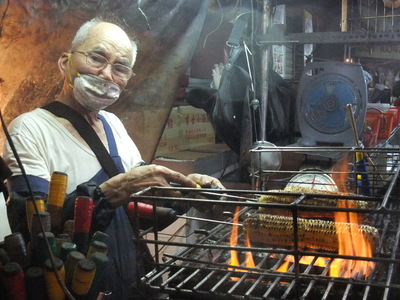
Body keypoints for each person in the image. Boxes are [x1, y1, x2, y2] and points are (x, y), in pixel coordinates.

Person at [3, 15, 224, 299]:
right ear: (64, 62)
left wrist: (184, 189)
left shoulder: (112, 124)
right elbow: (30, 227)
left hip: (127, 278)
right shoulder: (30, 128)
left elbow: (142, 198)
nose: (107, 74)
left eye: (120, 67)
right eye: (97, 58)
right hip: (74, 287)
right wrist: (118, 188)